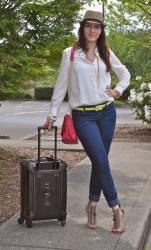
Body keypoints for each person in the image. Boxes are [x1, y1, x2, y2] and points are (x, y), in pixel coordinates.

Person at [44, 10, 130, 234]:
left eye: (97, 26)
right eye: (88, 26)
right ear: (82, 28)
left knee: (99, 162)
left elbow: (125, 74)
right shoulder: (70, 54)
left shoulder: (106, 53)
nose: (93, 30)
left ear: (101, 31)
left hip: (107, 113)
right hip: (83, 117)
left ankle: (92, 205)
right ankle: (116, 208)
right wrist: (52, 114)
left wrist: (118, 90)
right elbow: (60, 86)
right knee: (101, 161)